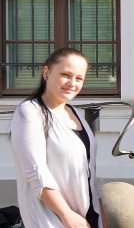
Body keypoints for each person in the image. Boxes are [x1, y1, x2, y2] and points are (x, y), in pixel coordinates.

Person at [10, 48, 102, 228]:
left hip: (88, 216)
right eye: (66, 75)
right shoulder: (29, 112)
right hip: (52, 219)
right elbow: (35, 172)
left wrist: (101, 215)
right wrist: (67, 215)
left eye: (79, 78)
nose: (72, 83)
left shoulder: (75, 113)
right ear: (47, 72)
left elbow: (91, 173)